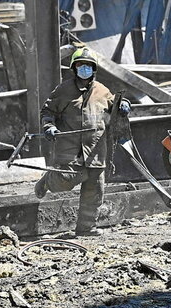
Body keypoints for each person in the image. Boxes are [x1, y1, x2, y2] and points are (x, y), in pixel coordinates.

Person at [34, 47, 131, 236]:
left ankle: (86, 228)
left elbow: (115, 107)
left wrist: (124, 104)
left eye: (88, 66)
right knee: (66, 179)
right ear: (74, 68)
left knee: (94, 190)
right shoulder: (63, 90)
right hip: (70, 147)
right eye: (80, 65)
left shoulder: (103, 91)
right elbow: (47, 112)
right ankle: (47, 181)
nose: (84, 69)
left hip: (95, 149)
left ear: (94, 69)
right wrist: (49, 127)